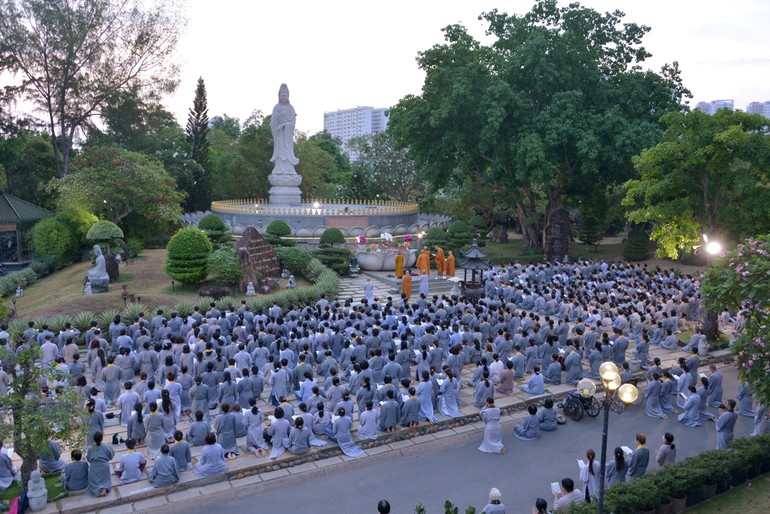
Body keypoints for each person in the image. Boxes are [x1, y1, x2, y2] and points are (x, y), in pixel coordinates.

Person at [270, 83, 299, 170]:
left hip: (287, 134)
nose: (284, 97)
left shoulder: (291, 108)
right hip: (279, 134)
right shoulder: (276, 107)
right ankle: (279, 169)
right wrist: (276, 120)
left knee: (288, 149)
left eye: (286, 95)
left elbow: (293, 122)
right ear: (279, 96)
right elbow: (272, 122)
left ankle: (289, 169)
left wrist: (285, 125)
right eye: (282, 95)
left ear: (288, 96)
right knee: (280, 150)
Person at [86, 432, 114, 497]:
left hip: (94, 466)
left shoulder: (90, 448)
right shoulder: (107, 446)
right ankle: (104, 488)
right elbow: (111, 456)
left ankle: (98, 489)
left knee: (94, 480)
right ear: (102, 438)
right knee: (105, 479)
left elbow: (88, 459)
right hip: (104, 465)